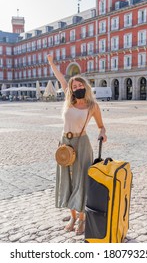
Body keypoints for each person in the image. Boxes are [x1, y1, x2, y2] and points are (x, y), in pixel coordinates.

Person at [47, 54, 107, 235]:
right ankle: (72, 216)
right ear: (71, 89)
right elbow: (60, 78)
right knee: (67, 180)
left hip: (82, 144)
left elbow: (101, 126)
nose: (77, 87)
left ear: (85, 87)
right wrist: (51, 63)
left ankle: (82, 218)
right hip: (65, 143)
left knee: (81, 181)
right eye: (75, 86)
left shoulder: (92, 106)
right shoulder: (68, 99)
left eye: (80, 85)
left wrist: (102, 134)